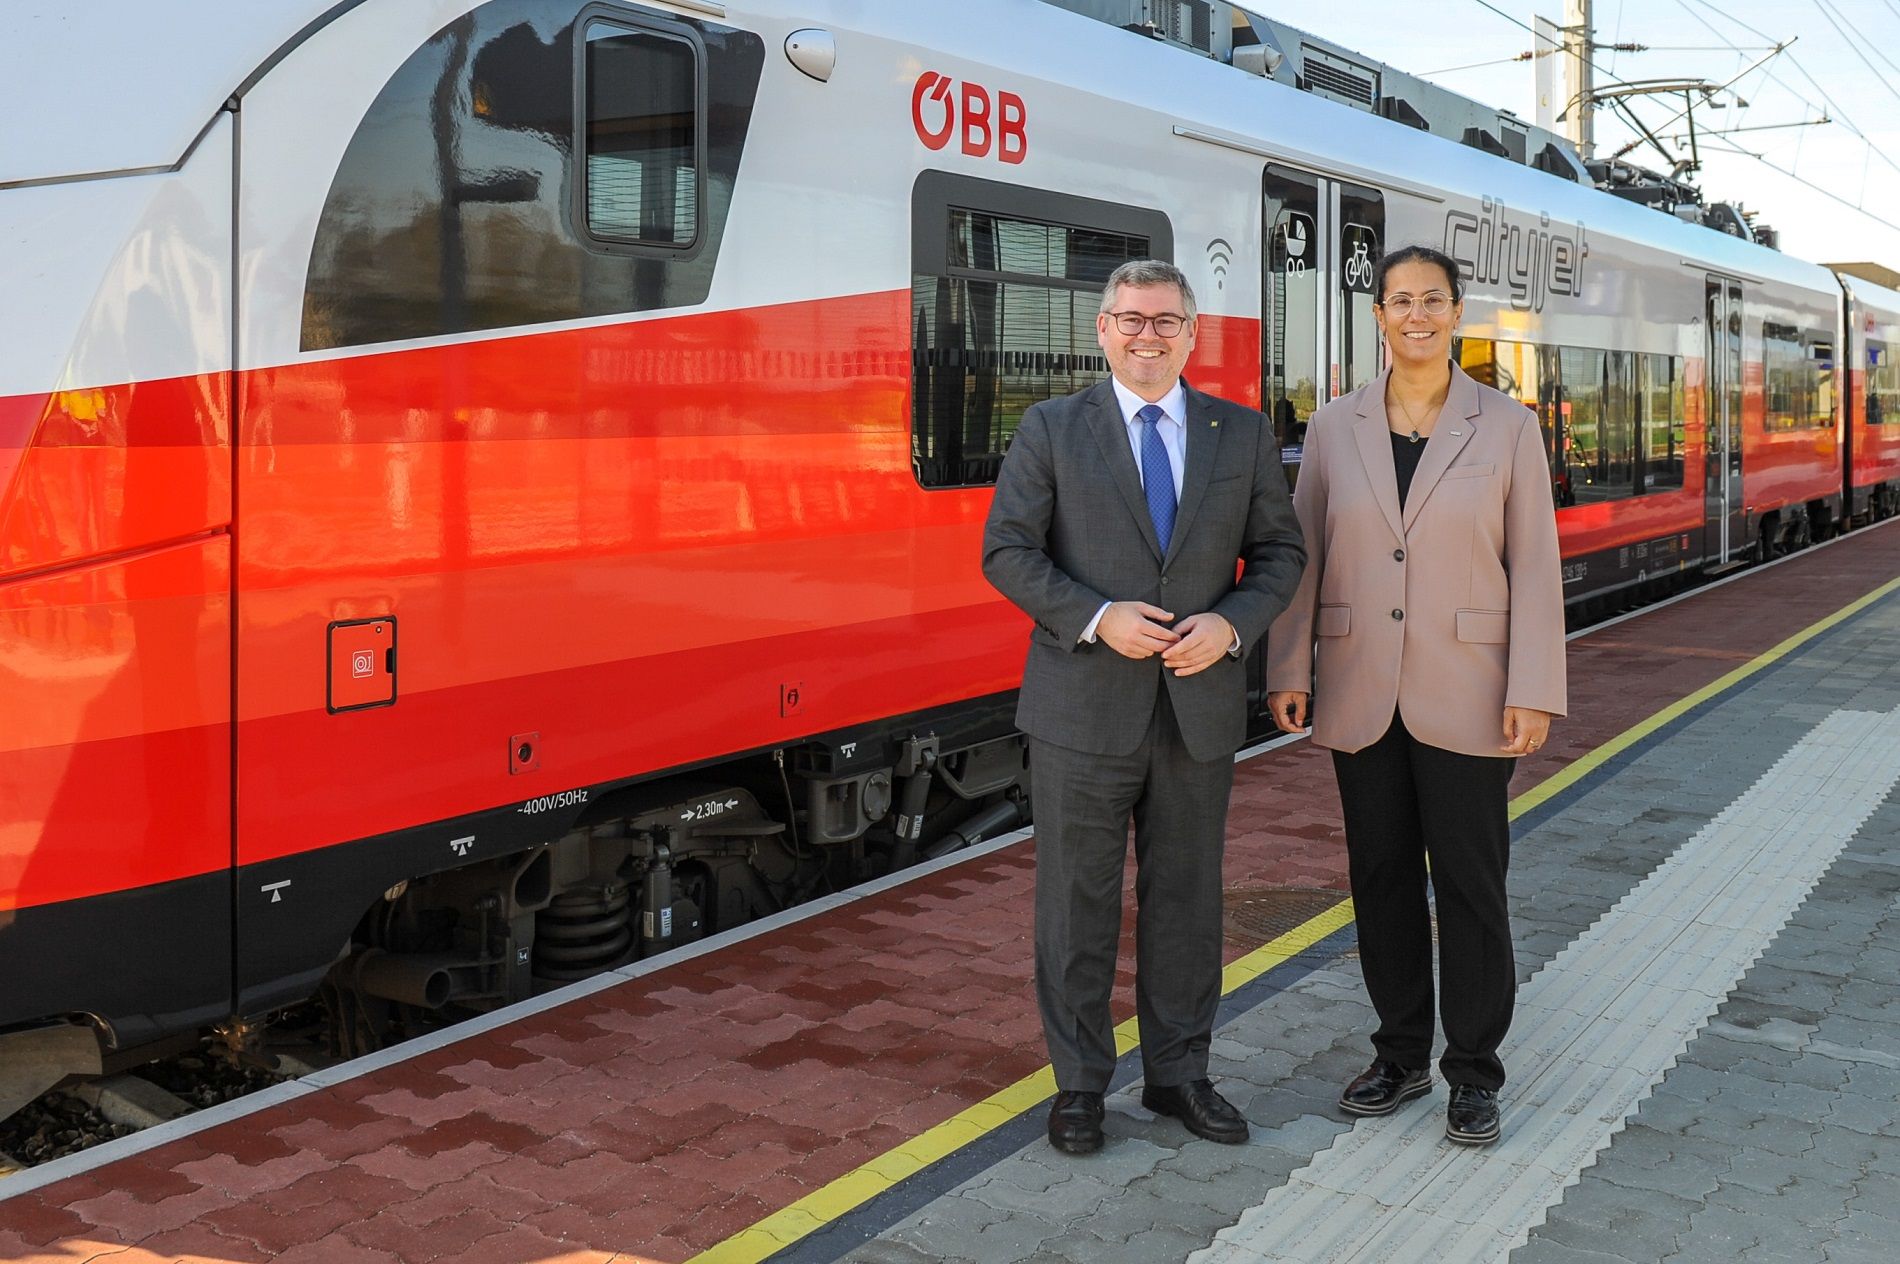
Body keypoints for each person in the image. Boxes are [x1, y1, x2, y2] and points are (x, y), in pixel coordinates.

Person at [983, 260, 1306, 1155]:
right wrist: (1097, 618)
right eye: (1130, 319)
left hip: (1197, 707)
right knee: (1075, 904)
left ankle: (1178, 1076)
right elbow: (1008, 551)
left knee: (1188, 902)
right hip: (1082, 708)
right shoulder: (1052, 427)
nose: (1147, 335)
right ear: (1103, 330)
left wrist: (1232, 626)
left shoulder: (1240, 434)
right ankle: (1080, 1086)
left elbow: (1280, 554)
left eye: (1166, 320)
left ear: (1193, 334)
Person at [1264, 244, 1565, 1147]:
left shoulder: (1506, 425)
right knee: (1381, 879)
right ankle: (1398, 1054)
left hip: (1470, 689)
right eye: (1401, 301)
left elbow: (1535, 565)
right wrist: (1289, 667)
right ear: (1379, 316)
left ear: (1457, 312)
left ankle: (1473, 1070)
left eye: (1433, 300)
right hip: (1362, 686)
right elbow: (1305, 555)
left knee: (1471, 884)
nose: (1417, 315)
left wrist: (1534, 687)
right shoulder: (1334, 427)